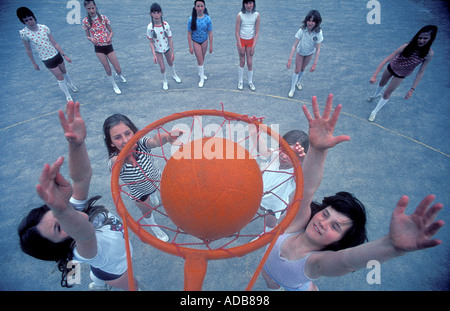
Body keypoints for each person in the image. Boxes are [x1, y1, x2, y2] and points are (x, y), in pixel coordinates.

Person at [262, 94, 445, 291]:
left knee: (296, 286)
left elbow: (347, 261)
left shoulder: (316, 262)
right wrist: (318, 150)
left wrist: (390, 246)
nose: (323, 223)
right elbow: (307, 189)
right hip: (272, 267)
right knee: (271, 283)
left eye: (335, 227)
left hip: (295, 282)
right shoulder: (295, 225)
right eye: (325, 214)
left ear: (340, 241)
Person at [18, 101, 138, 291]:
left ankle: (97, 285)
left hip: (106, 263)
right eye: (59, 227)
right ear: (57, 246)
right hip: (115, 271)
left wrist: (76, 144)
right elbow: (85, 233)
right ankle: (102, 283)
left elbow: (82, 178)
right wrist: (62, 210)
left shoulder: (73, 213)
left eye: (57, 215)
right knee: (133, 286)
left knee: (97, 273)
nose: (66, 218)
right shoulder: (84, 249)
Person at [103, 114, 183, 242]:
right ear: (111, 143)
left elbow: (155, 140)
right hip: (139, 192)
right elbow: (114, 162)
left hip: (157, 179)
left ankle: (154, 195)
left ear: (134, 132)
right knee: (147, 211)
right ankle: (155, 228)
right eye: (117, 137)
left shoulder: (141, 144)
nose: (125, 140)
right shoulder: (115, 162)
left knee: (167, 194)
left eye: (128, 133)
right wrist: (124, 158)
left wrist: (167, 137)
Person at [367, 25, 437, 122]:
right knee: (382, 83)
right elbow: (387, 59)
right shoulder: (406, 46)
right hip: (391, 67)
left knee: (387, 94)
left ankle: (374, 112)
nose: (421, 40)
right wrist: (374, 76)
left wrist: (412, 89)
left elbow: (421, 72)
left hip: (401, 75)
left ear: (431, 39)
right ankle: (375, 95)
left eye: (425, 38)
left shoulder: (429, 54)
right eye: (420, 38)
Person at [251, 128, 309, 235]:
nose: (283, 155)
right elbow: (262, 149)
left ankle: (268, 234)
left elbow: (307, 174)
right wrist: (255, 134)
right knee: (261, 206)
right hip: (262, 195)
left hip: (275, 206)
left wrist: (301, 163)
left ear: (299, 157)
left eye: (290, 154)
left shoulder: (296, 173)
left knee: (270, 221)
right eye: (283, 149)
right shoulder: (274, 155)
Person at [17, 7, 78, 102]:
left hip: (56, 55)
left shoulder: (44, 28)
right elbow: (28, 49)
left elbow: (55, 43)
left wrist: (64, 55)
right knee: (60, 77)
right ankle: (68, 95)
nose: (30, 22)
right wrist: (34, 63)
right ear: (23, 22)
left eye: (30, 19)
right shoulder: (24, 33)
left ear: (34, 18)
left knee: (64, 71)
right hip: (46, 59)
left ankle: (70, 84)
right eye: (26, 20)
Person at [82, 0, 126, 95]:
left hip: (108, 46)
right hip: (98, 48)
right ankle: (114, 85)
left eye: (92, 8)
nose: (91, 10)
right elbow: (87, 36)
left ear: (95, 6)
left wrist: (110, 37)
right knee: (107, 68)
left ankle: (119, 75)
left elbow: (111, 31)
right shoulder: (85, 21)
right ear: (86, 9)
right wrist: (91, 39)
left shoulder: (103, 18)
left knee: (118, 69)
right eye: (88, 8)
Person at [287, 10, 323, 98]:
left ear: (316, 22)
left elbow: (318, 49)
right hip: (300, 52)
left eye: (312, 21)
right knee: (297, 70)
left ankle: (297, 82)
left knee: (302, 69)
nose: (310, 23)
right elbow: (294, 46)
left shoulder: (319, 33)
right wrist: (290, 59)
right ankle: (292, 89)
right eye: (309, 20)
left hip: (309, 53)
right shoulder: (302, 30)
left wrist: (314, 64)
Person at [147, 3, 181, 91]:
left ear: (161, 13)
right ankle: (165, 80)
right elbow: (151, 41)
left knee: (170, 63)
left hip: (167, 49)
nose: (156, 15)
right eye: (154, 13)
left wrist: (172, 52)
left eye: (158, 12)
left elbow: (170, 39)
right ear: (151, 14)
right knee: (162, 67)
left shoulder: (166, 25)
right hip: (158, 50)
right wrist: (154, 55)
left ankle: (174, 75)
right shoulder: (150, 27)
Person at [235, 0, 260, 91]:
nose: (249, 5)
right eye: (246, 3)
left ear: (253, 4)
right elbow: (237, 32)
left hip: (250, 42)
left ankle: (250, 82)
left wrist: (253, 46)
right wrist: (240, 45)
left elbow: (256, 33)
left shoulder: (257, 15)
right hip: (241, 41)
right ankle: (240, 81)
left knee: (249, 63)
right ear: (244, 4)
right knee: (242, 61)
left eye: (250, 3)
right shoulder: (240, 15)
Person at [187, 0, 213, 88]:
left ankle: (200, 72)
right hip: (196, 41)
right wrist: (190, 46)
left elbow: (210, 32)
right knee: (200, 59)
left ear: (204, 7)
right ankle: (201, 78)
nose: (200, 8)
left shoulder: (207, 18)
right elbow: (189, 33)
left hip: (204, 41)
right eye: (198, 6)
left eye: (201, 6)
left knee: (202, 58)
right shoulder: (191, 19)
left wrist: (211, 45)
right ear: (195, 7)